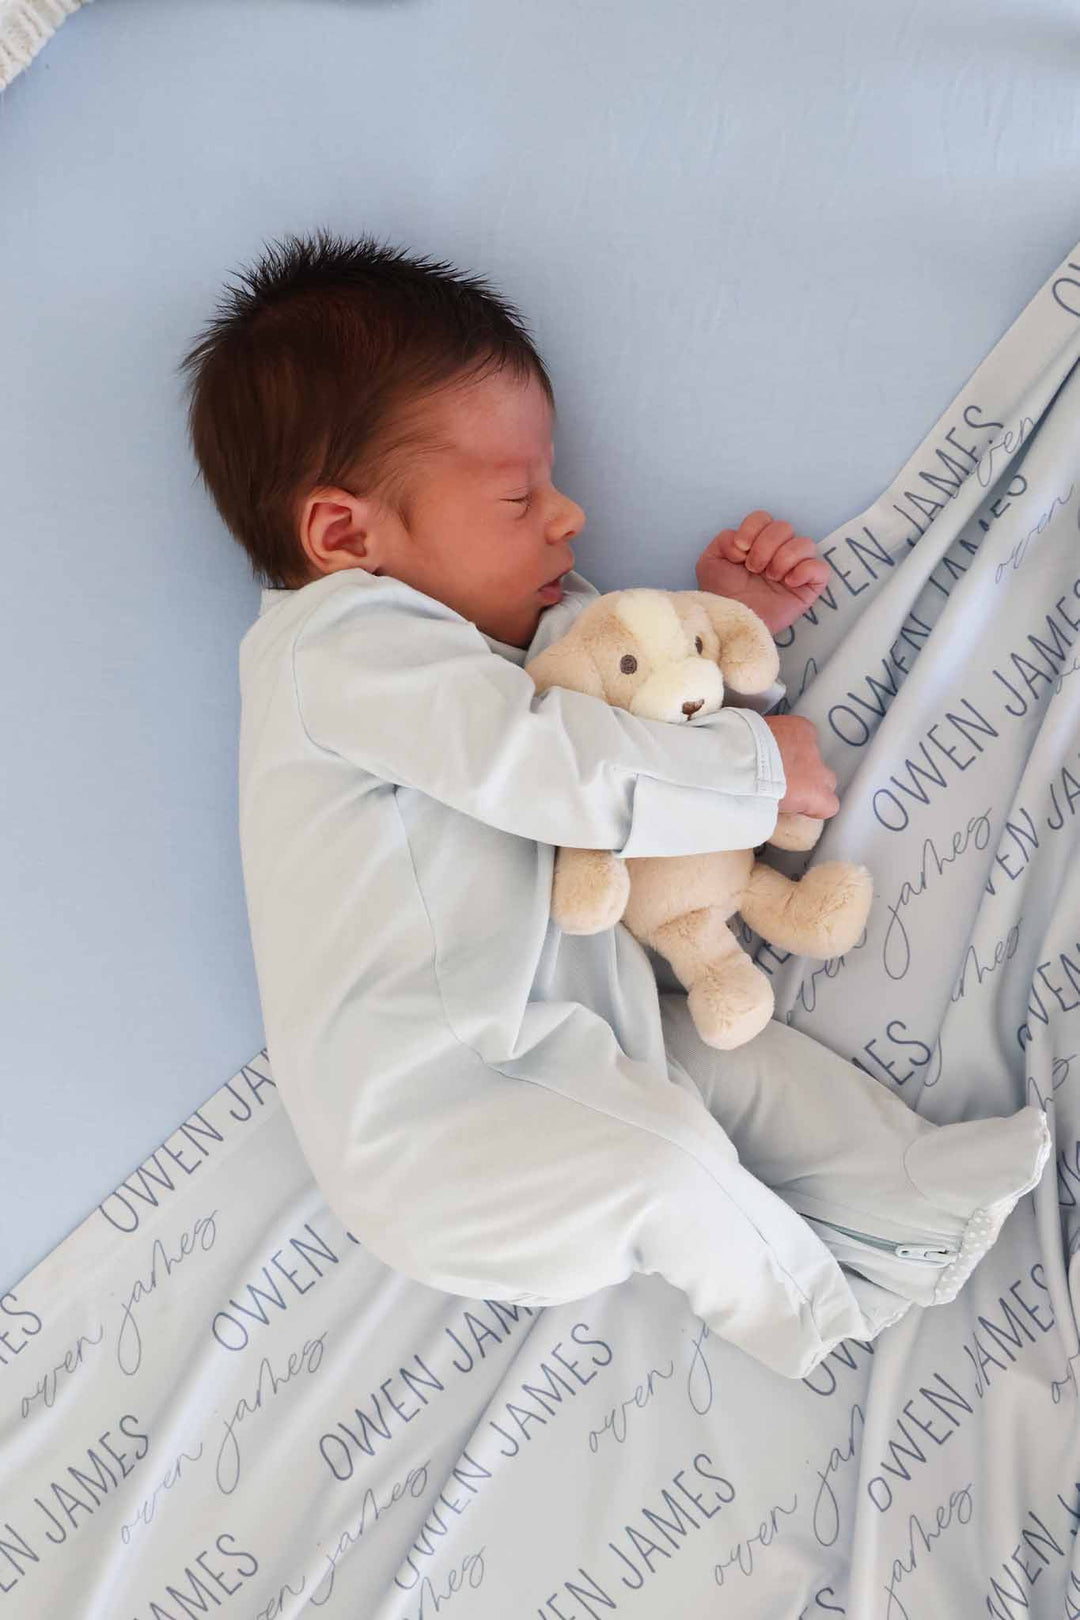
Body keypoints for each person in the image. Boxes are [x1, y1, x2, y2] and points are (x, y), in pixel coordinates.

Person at [178, 230, 1050, 1379]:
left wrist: (720, 630)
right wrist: (753, 771)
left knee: (741, 1072)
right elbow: (553, 765)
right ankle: (810, 1317)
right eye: (518, 495)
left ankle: (911, 1192)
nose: (569, 514)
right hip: (439, 1133)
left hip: (577, 1039)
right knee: (669, 1158)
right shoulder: (338, 650)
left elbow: (614, 694)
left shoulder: (494, 639)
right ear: (344, 534)